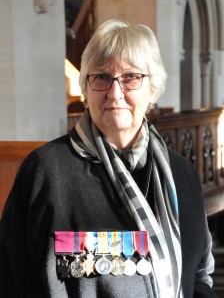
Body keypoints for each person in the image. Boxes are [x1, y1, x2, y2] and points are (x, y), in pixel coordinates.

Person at [0, 19, 216, 298]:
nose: (115, 93)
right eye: (101, 76)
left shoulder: (181, 174)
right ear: (86, 90)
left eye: (130, 77)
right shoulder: (45, 171)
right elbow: (10, 278)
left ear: (153, 89)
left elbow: (199, 273)